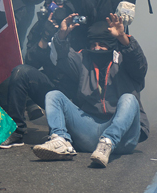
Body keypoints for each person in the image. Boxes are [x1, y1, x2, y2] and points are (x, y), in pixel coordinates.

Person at [32, 14, 149, 167]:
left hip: (123, 138)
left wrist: (123, 39)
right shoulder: (83, 59)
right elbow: (63, 59)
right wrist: (61, 36)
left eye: (101, 44)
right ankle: (60, 140)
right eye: (93, 44)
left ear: (111, 44)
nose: (96, 48)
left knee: (129, 98)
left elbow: (139, 63)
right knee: (54, 96)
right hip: (89, 129)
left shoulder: (124, 60)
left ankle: (108, 142)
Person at [0, 0, 95, 149]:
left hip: (79, 93)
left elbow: (90, 11)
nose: (53, 5)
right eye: (49, 1)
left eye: (58, 1)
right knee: (20, 72)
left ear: (67, 4)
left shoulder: (79, 24)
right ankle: (16, 132)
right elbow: (29, 63)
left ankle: (76, 127)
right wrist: (44, 39)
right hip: (52, 91)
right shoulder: (42, 26)